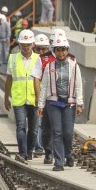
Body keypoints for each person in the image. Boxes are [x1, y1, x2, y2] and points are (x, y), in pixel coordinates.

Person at [36, 37, 83, 171]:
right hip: (53, 103)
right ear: (54, 51)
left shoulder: (74, 66)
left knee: (67, 133)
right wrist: (40, 105)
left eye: (63, 50)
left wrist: (79, 103)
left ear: (67, 51)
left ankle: (68, 154)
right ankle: (59, 162)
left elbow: (78, 86)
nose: (61, 53)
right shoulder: (49, 67)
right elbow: (44, 86)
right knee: (57, 132)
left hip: (69, 103)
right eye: (58, 50)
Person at [4, 29, 42, 163]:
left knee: (33, 130)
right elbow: (9, 79)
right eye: (23, 44)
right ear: (19, 45)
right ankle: (23, 153)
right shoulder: (13, 58)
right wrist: (6, 97)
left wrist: (40, 97)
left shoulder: (38, 59)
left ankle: (29, 150)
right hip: (19, 99)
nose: (26, 47)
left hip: (34, 99)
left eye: (28, 44)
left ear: (33, 45)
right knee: (21, 126)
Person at [33, 34, 50, 158]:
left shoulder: (50, 61)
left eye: (43, 49)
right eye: (38, 49)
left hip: (49, 97)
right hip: (34, 97)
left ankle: (48, 147)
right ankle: (39, 147)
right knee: (37, 123)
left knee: (48, 124)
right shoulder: (33, 60)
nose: (41, 52)